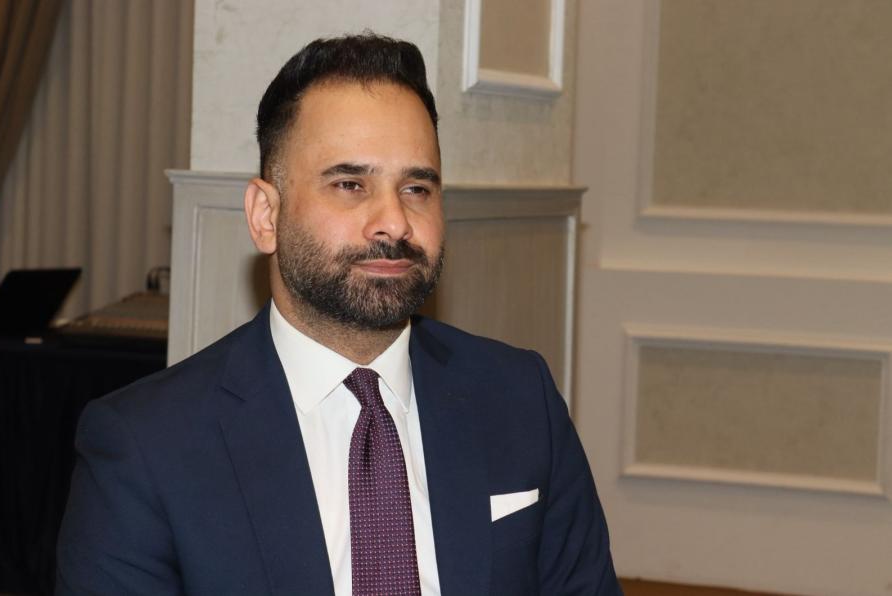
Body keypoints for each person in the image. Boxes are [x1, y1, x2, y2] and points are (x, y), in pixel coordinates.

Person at [56, 34, 622, 595]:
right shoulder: (147, 446)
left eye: (417, 188)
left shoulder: (520, 397)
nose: (394, 222)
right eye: (350, 184)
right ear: (265, 216)